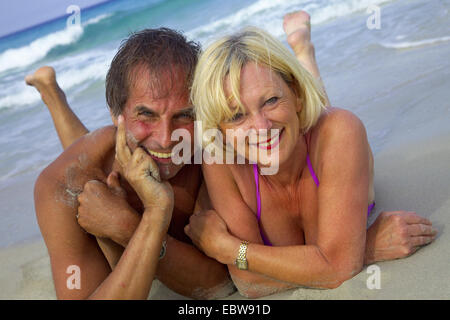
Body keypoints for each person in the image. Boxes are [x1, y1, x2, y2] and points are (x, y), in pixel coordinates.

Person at [27, 12, 435, 300]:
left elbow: (222, 278)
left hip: (310, 126)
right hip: (107, 156)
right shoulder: (65, 187)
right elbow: (238, 281)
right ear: (117, 117)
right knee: (276, 123)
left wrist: (131, 225)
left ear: (204, 115)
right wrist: (144, 220)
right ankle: (53, 96)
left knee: (314, 113)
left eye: (185, 116)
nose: (168, 138)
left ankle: (302, 51)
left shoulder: (215, 146)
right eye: (146, 115)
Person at [183, 15, 437, 298]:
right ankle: (299, 50)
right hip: (298, 135)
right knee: (290, 129)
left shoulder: (341, 130)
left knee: (322, 119)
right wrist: (364, 249)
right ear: (220, 130)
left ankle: (303, 51)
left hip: (319, 136)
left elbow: (335, 266)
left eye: (270, 100)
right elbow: (249, 282)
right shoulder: (220, 160)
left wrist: (230, 249)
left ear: (295, 94)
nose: (260, 126)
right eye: (237, 115)